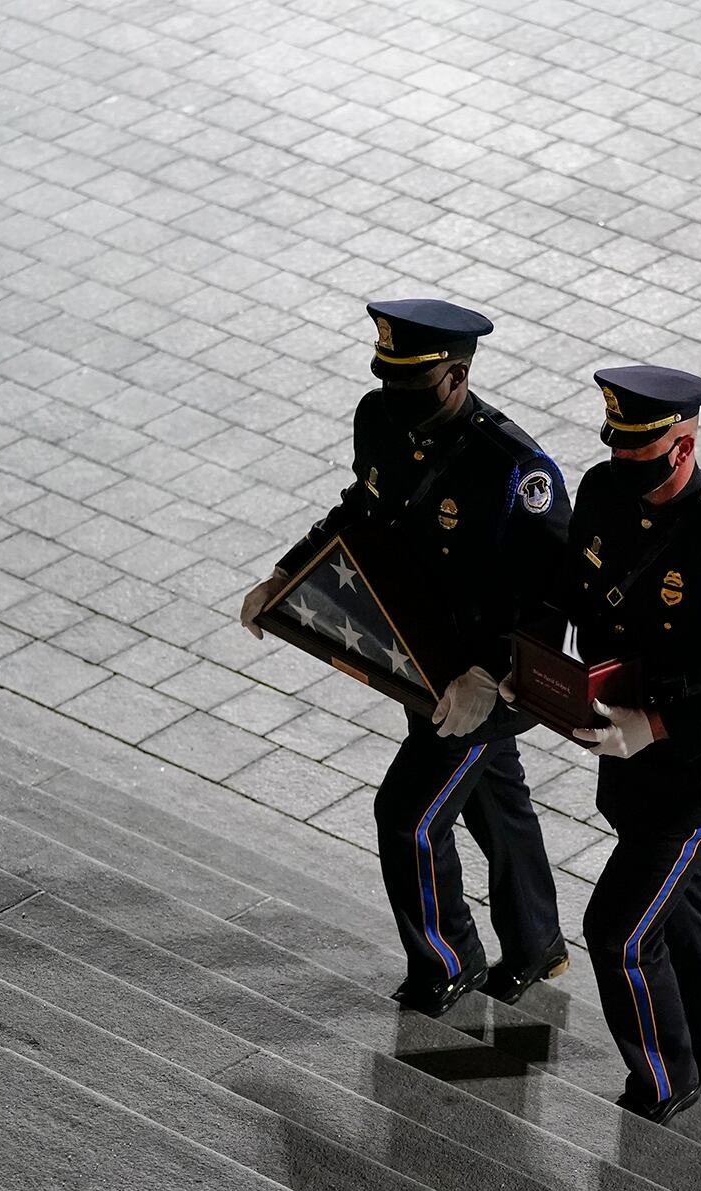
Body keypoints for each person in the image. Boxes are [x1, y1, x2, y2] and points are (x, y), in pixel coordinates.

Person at [240, 299, 573, 1017]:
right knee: (495, 804)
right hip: (423, 663)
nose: (395, 396)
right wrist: (287, 574)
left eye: (412, 383)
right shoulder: (379, 417)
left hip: (485, 684)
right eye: (387, 377)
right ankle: (538, 942)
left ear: (456, 376)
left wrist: (489, 678)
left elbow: (551, 602)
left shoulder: (518, 471)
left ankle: (447, 962)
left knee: (408, 815)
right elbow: (363, 509)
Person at [521, 365, 701, 1123]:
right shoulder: (608, 490)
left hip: (693, 779)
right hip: (628, 762)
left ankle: (663, 1084)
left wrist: (659, 724)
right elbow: (574, 590)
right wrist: (536, 669)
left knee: (618, 930)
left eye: (643, 461)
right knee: (684, 906)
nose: (626, 475)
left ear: (685, 445)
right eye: (619, 455)